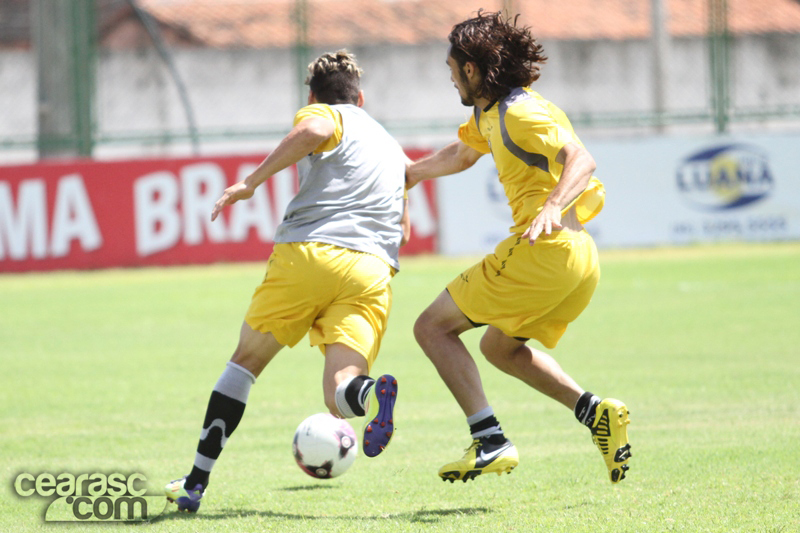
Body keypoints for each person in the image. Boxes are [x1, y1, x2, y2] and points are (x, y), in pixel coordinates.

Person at [165, 50, 409, 512]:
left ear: (314, 95)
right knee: (339, 394)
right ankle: (370, 393)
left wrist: (252, 182)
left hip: (312, 253)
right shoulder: (388, 142)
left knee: (243, 365)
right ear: (362, 97)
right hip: (373, 270)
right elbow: (404, 219)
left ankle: (195, 481)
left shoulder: (323, 113)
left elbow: (315, 130)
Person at [406, 11, 632, 484]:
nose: (451, 81)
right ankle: (594, 413)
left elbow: (581, 160)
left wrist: (552, 204)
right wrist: (411, 174)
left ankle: (489, 441)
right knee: (500, 348)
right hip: (577, 260)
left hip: (543, 251)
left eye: (452, 71)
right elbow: (464, 153)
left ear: (471, 69)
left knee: (431, 328)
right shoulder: (489, 113)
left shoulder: (521, 114)